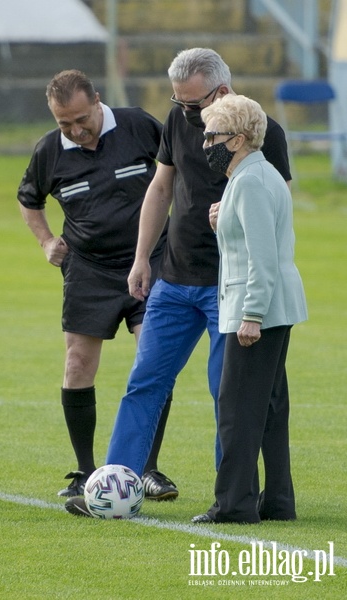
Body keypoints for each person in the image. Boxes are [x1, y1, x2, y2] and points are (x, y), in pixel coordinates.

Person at [64, 48, 293, 517]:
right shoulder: (177, 120)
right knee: (143, 382)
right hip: (173, 276)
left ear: (222, 92)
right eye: (178, 103)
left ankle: (231, 498)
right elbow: (161, 188)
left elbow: (276, 208)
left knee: (226, 395)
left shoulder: (264, 133)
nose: (184, 113)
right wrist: (141, 258)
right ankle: (114, 490)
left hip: (226, 287)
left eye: (192, 105)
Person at [17, 69, 177, 501]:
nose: (74, 130)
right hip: (88, 268)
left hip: (151, 261)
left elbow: (175, 170)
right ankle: (86, 473)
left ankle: (148, 469)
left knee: (154, 363)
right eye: (63, 123)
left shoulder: (139, 125)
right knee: (77, 365)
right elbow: (29, 199)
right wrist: (47, 241)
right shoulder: (51, 150)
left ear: (98, 101)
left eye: (80, 119)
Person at [190, 94, 308, 524]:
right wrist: (223, 222)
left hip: (258, 311)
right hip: (275, 308)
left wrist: (252, 315)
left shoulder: (252, 181)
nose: (206, 144)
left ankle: (234, 504)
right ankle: (277, 501)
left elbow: (262, 257)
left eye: (213, 136)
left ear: (238, 139)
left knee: (238, 408)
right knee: (271, 407)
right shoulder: (253, 175)